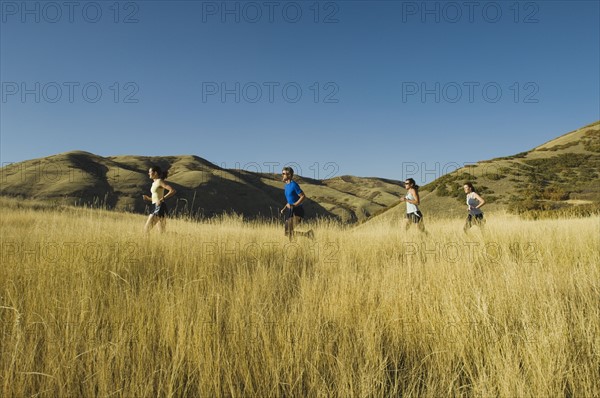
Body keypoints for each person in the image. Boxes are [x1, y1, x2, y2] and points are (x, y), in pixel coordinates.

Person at [280, 167, 314, 241]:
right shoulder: (286, 186)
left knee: (289, 231)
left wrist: (294, 205)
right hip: (290, 210)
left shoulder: (294, 185)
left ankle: (293, 244)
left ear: (289, 175)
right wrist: (284, 208)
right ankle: (308, 234)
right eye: (282, 173)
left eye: (284, 174)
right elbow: (290, 200)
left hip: (297, 210)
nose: (283, 175)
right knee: (287, 232)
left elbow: (303, 196)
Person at [142, 166, 176, 233]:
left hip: (159, 207)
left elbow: (172, 190)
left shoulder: (159, 181)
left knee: (146, 230)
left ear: (155, 173)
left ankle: (146, 243)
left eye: (150, 172)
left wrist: (162, 199)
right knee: (162, 233)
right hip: (158, 206)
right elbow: (156, 199)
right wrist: (148, 198)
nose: (148, 173)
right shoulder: (154, 183)